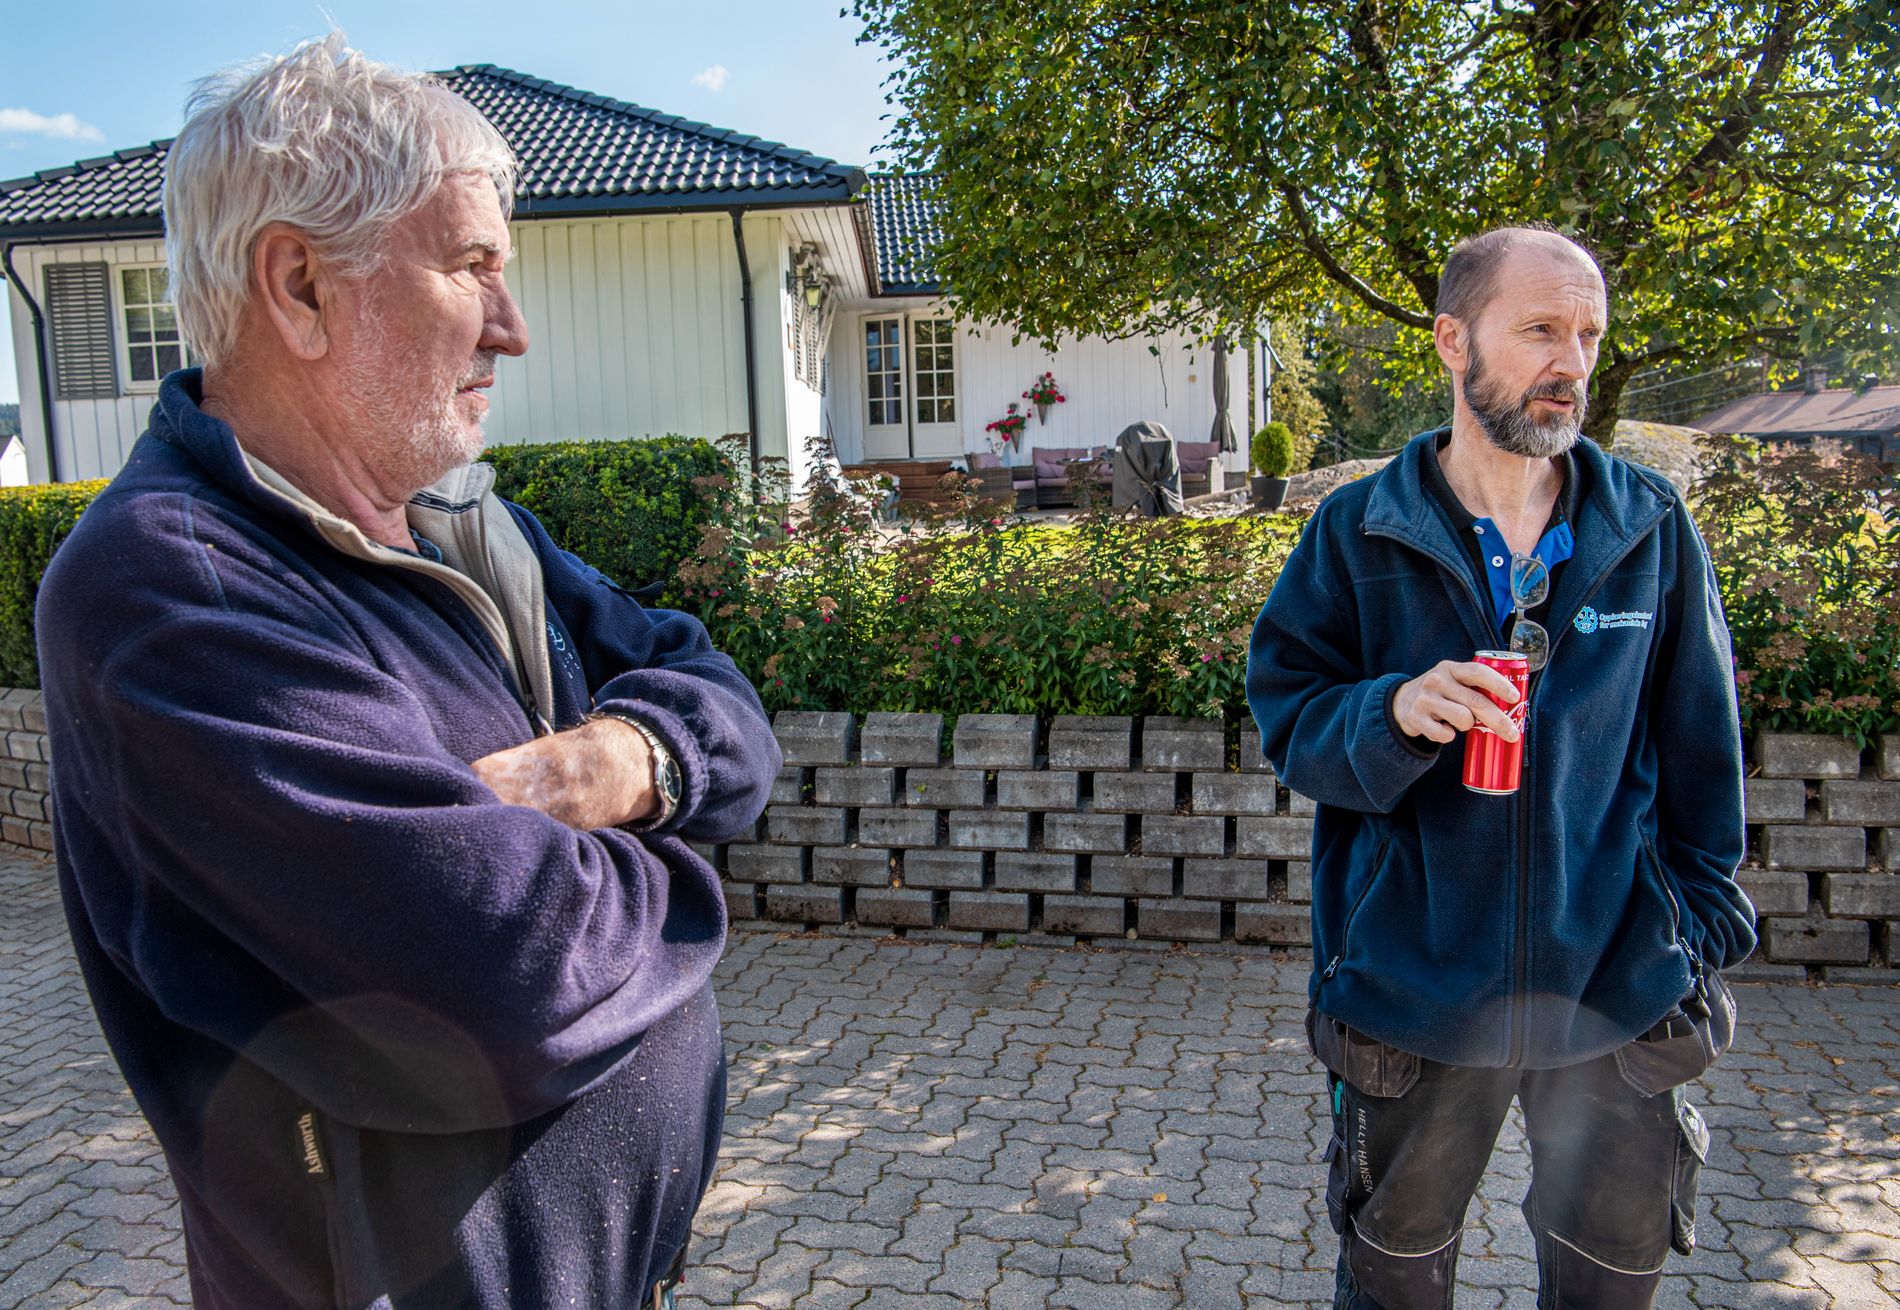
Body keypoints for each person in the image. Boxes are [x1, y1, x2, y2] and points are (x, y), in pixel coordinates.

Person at [36, 35, 779, 1310]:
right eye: (472, 265)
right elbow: (513, 977)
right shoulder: (169, 591)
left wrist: (609, 764)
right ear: (300, 285)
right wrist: (688, 856)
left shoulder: (457, 520)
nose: (515, 325)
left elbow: (722, 706)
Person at [1246, 226, 1756, 1309]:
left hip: (1614, 993)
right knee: (1394, 1277)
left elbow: (1706, 760)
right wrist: (1388, 708)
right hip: (1416, 994)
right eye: (1539, 330)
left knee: (1610, 1283)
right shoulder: (1354, 531)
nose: (1570, 359)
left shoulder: (1648, 528)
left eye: (1587, 333)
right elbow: (1288, 717)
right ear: (1451, 339)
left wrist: (1691, 940)